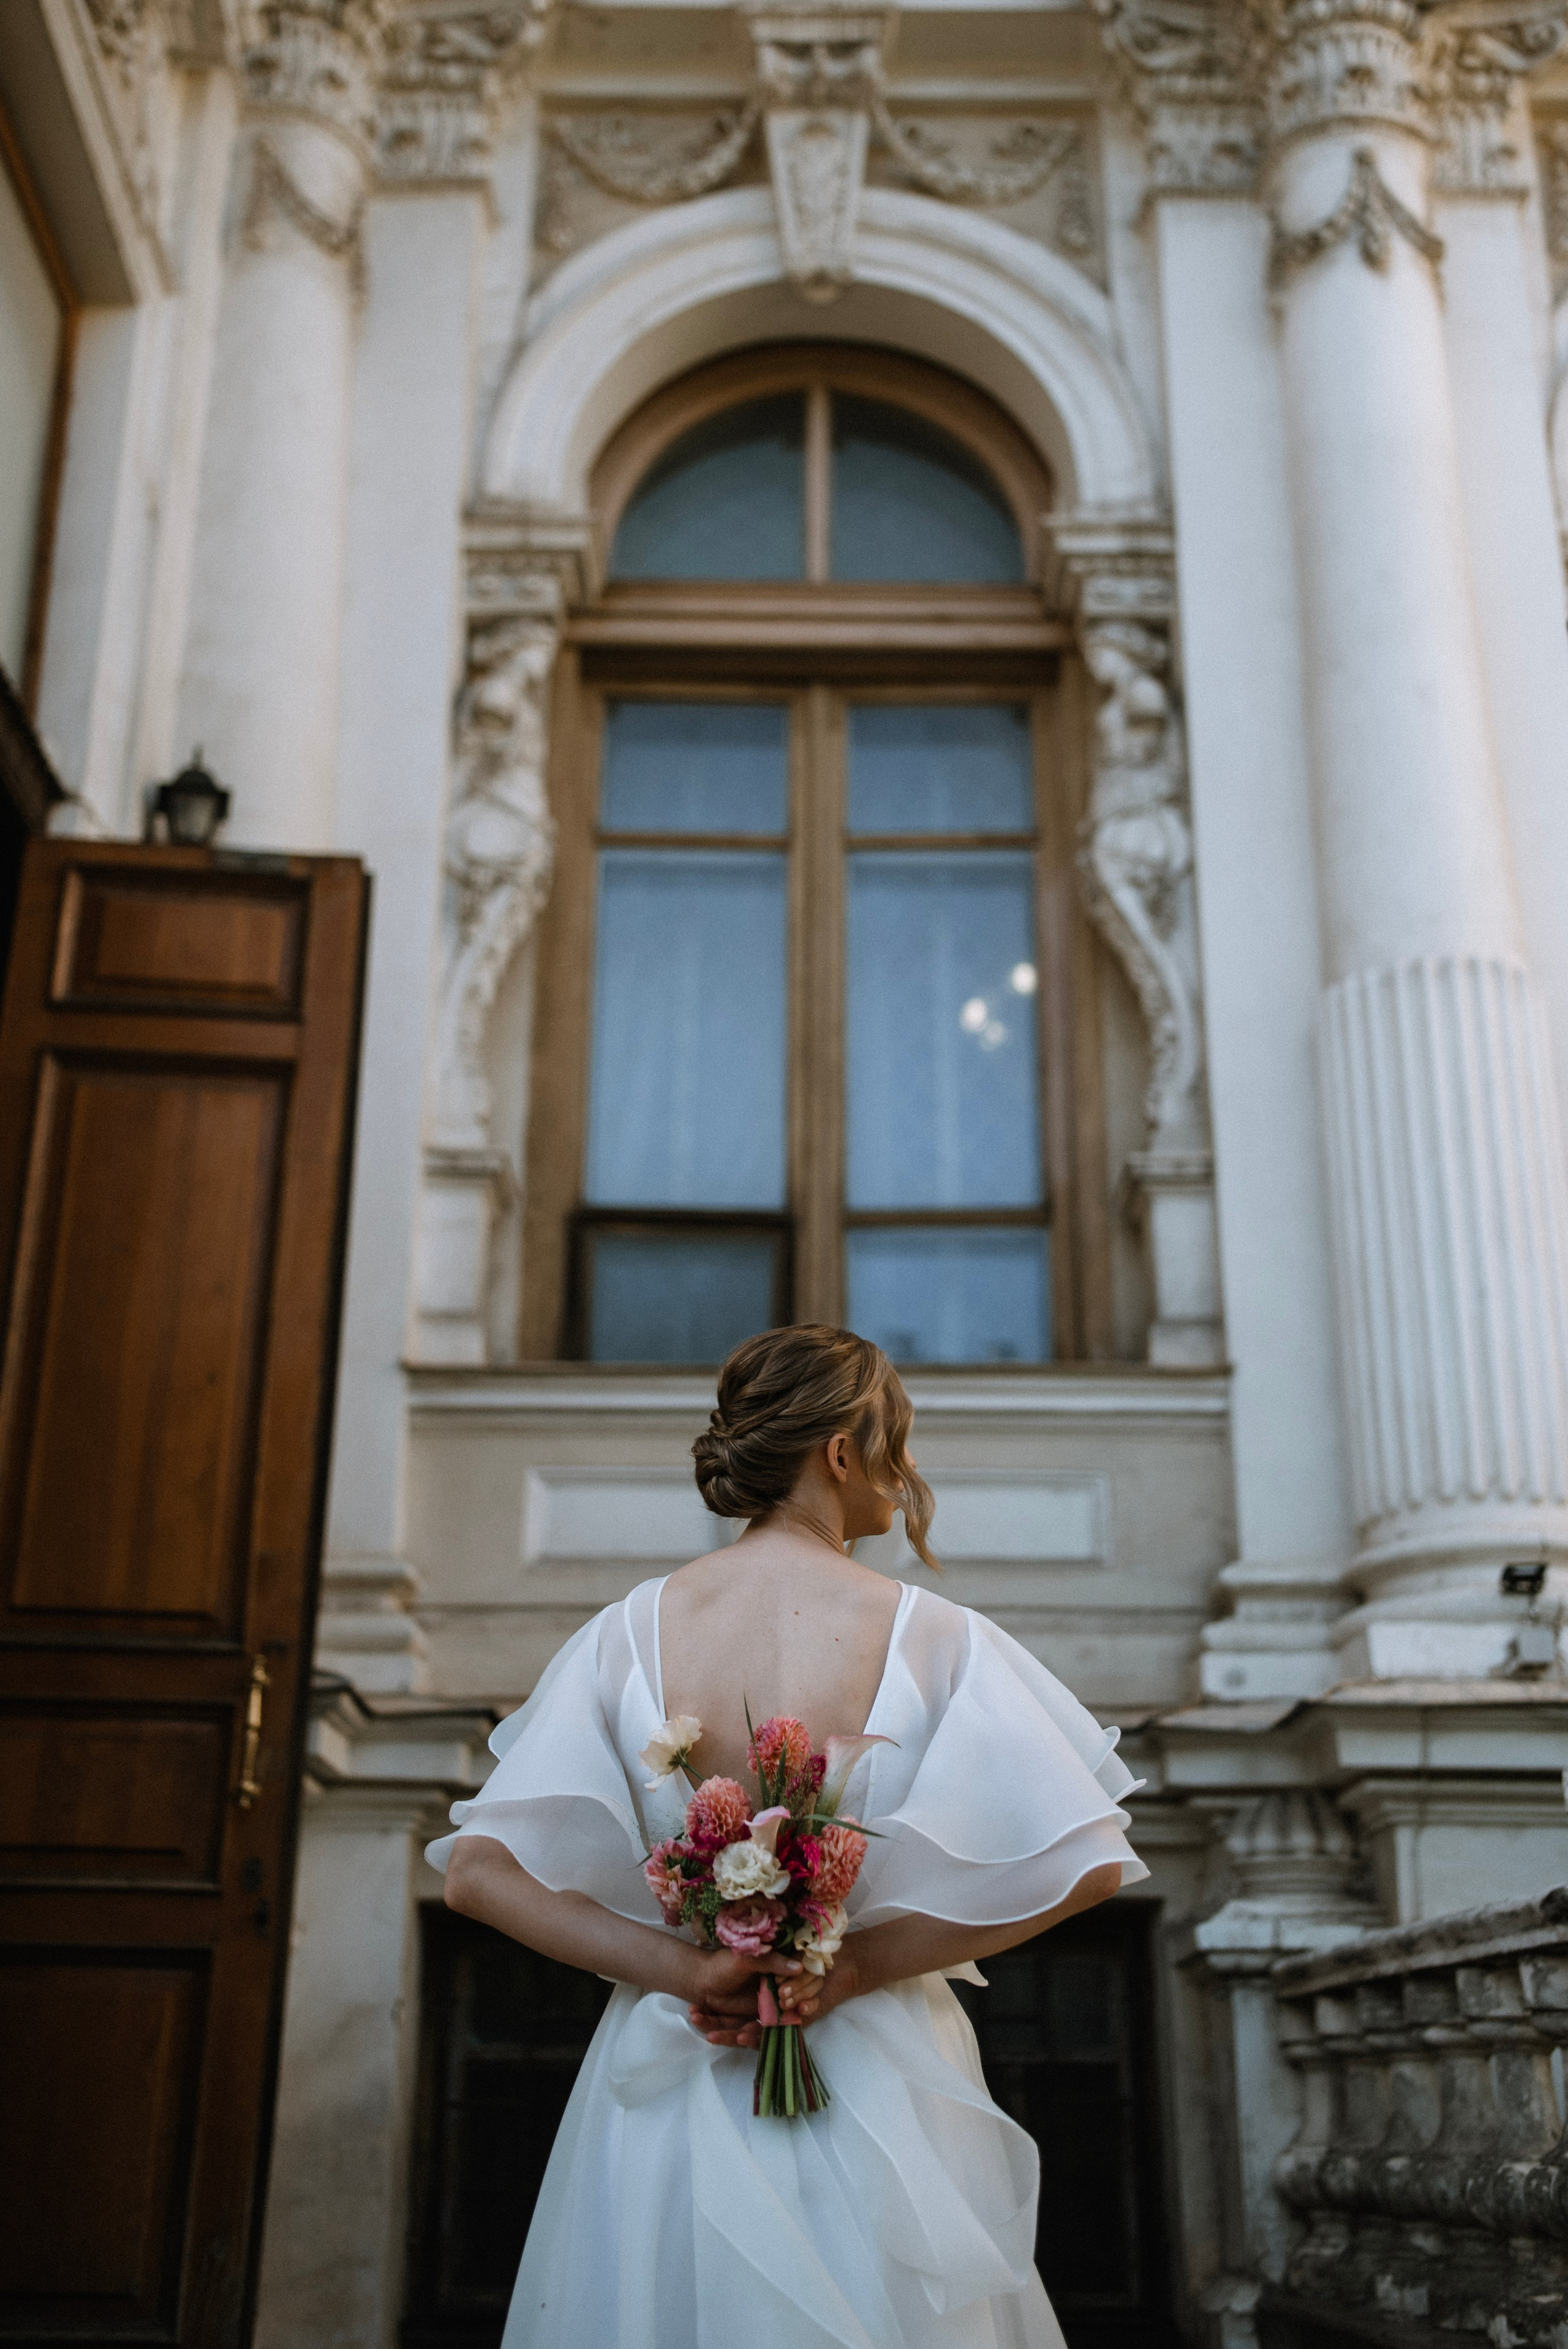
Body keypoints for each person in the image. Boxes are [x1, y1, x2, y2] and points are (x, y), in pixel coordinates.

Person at [430, 1324, 1147, 2348]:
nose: (906, 1477)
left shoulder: (626, 1631)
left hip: (678, 2062)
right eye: (896, 1442)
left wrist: (689, 1974)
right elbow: (1087, 1864)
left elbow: (479, 1876)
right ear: (844, 1452)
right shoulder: (934, 1634)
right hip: (878, 2072)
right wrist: (851, 1970)